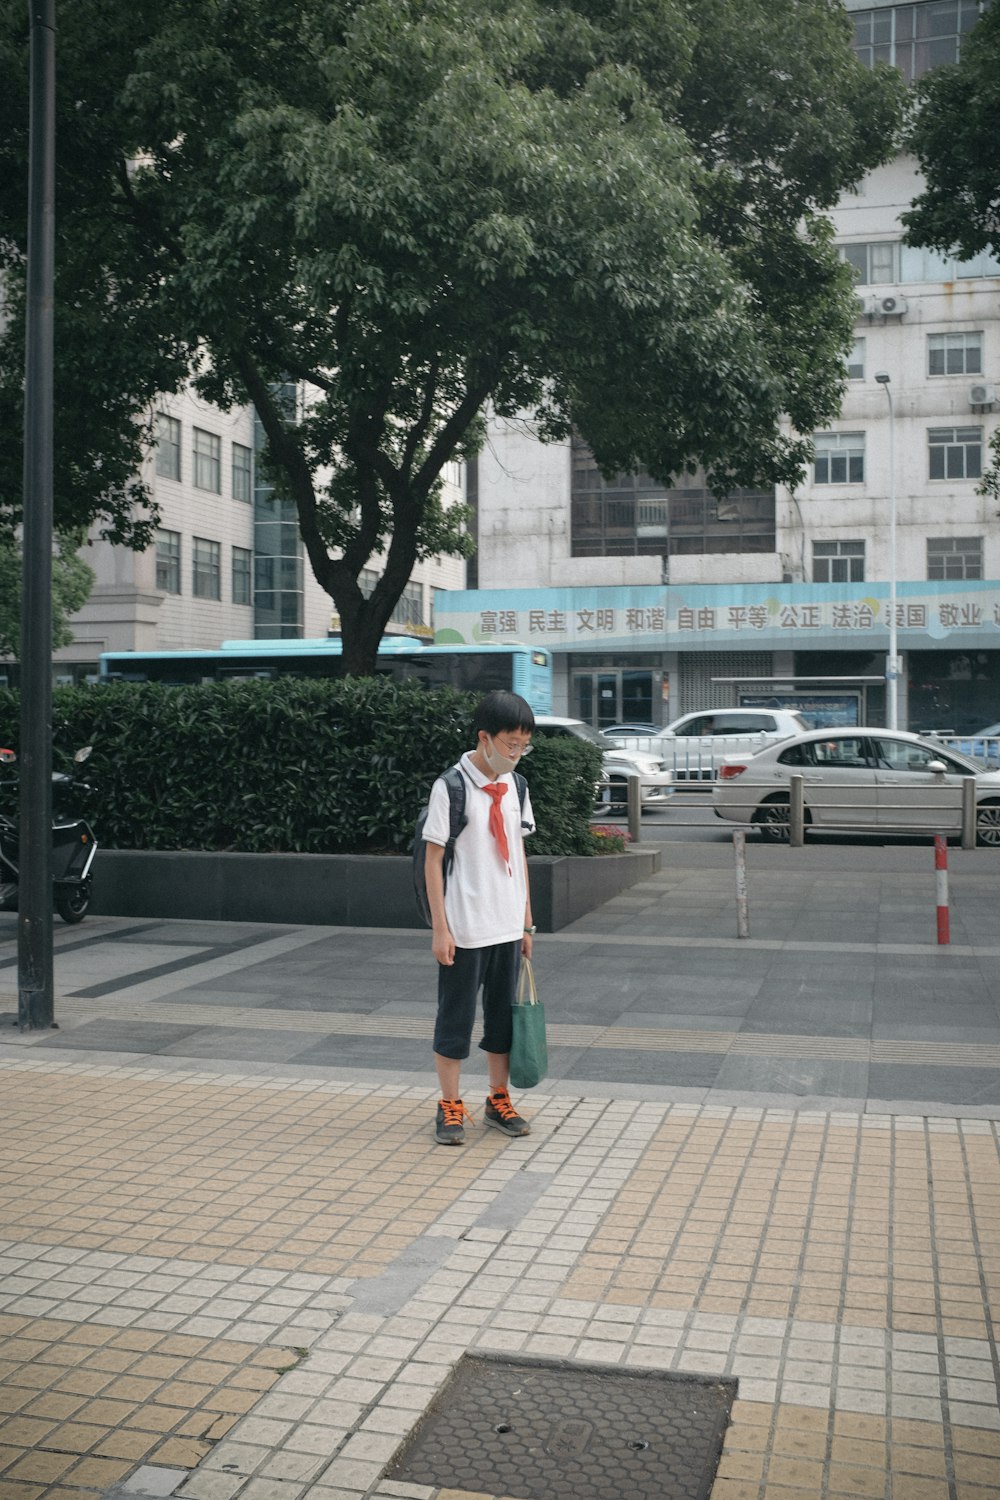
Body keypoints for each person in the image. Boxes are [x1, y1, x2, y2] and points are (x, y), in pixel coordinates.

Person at [423, 689, 537, 1146]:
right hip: (465, 926)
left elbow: (520, 852)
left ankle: (497, 1098)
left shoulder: (516, 786)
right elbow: (433, 860)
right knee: (455, 1019)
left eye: (523, 745)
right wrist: (440, 928)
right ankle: (450, 1104)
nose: (516, 752)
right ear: (484, 738)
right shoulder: (450, 786)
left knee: (501, 1020)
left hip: (507, 924)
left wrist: (527, 920)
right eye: (510, 743)